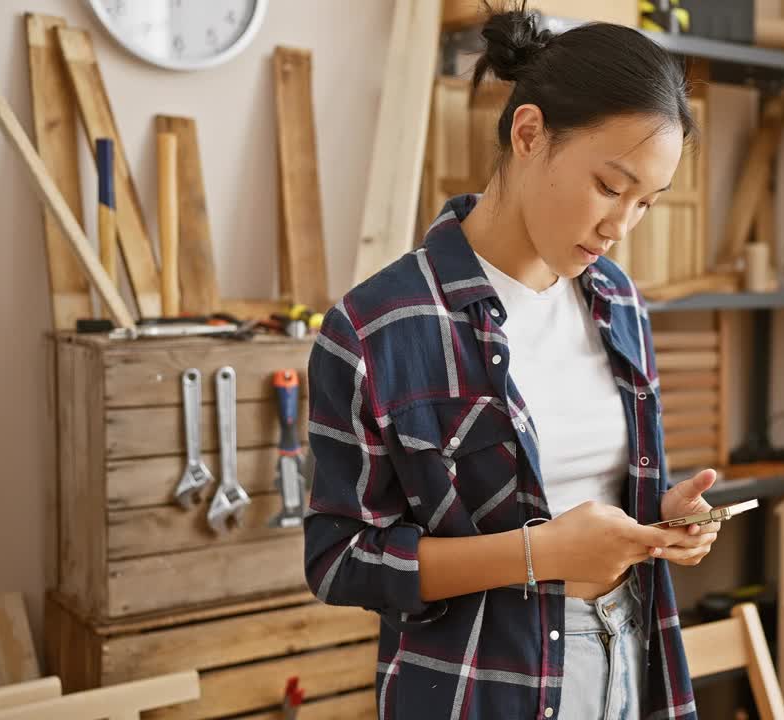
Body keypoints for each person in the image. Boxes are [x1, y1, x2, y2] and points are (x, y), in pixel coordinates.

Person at [303, 4, 718, 718]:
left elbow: (588, 491)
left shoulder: (617, 300)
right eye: (609, 187)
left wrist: (662, 517)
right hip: (478, 687)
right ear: (529, 133)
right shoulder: (377, 326)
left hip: (629, 655)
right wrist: (543, 554)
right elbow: (341, 561)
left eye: (646, 203)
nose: (620, 227)